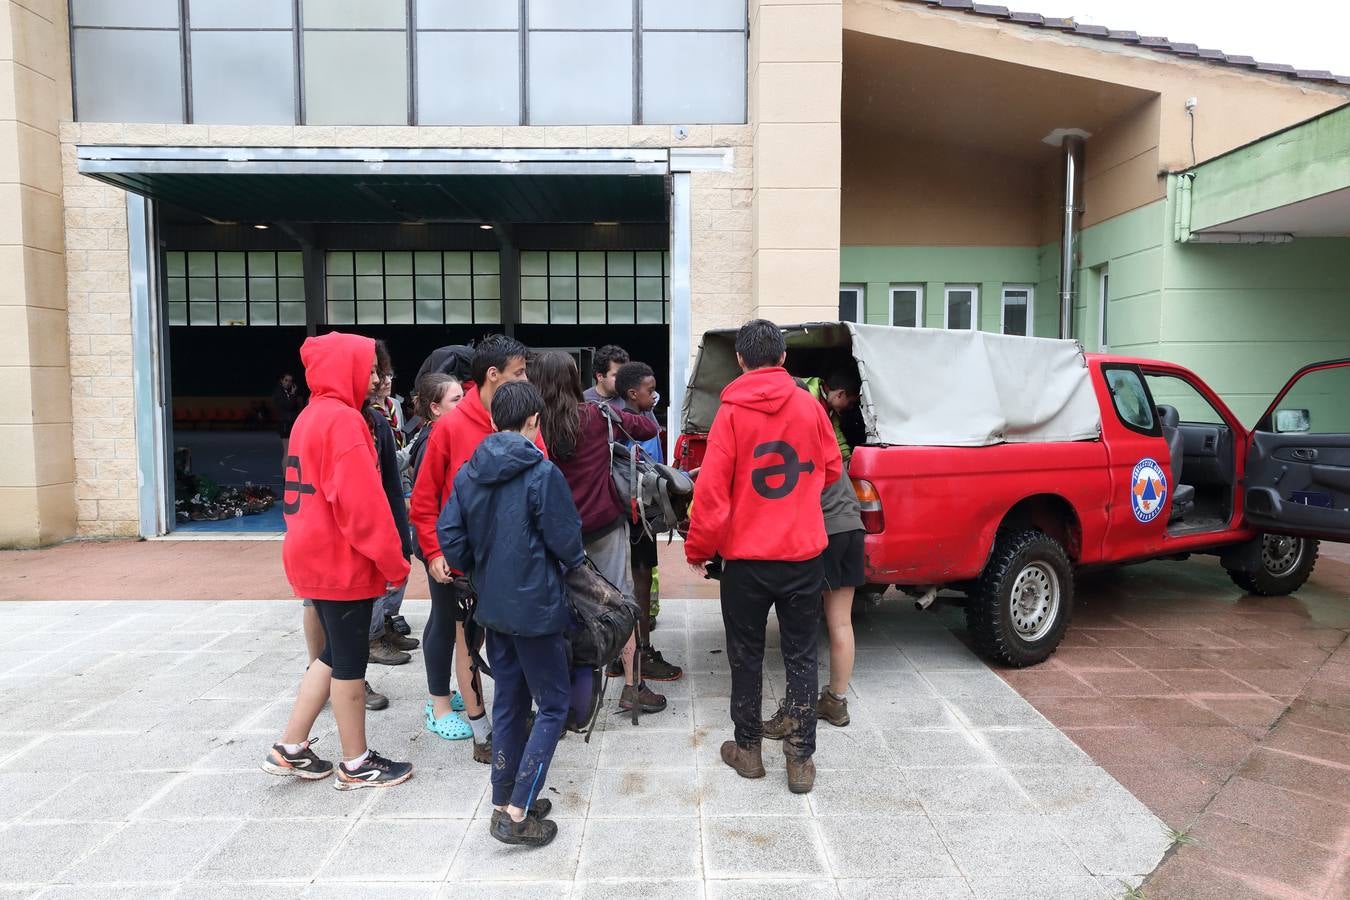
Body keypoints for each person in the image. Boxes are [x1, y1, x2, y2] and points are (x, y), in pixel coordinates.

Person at [684, 319, 842, 795]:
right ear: (784, 359)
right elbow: (832, 467)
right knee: (799, 656)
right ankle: (799, 761)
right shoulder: (809, 405)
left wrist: (698, 547)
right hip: (801, 553)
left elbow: (711, 492)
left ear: (740, 360)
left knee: (746, 657)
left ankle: (748, 750)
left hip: (747, 561)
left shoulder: (728, 413)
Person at [262, 332, 413, 790]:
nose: (373, 377)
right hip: (340, 560)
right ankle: (357, 763)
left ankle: (291, 747)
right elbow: (362, 505)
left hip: (310, 553)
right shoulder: (346, 422)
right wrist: (394, 561)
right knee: (349, 663)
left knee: (329, 655)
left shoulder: (312, 415)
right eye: (366, 368)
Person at [438, 380, 582, 847]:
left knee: (510, 702)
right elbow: (567, 543)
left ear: (493, 419)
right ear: (533, 422)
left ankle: (505, 799)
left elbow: (451, 538)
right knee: (554, 705)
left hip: (493, 606)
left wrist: (482, 569)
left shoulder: (468, 473)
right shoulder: (542, 474)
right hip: (537, 609)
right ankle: (519, 810)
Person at [409, 335, 539, 763]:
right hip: (461, 561)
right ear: (492, 375)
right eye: (519, 372)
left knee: (514, 638)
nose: (526, 379)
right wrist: (433, 553)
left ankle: (513, 713)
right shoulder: (448, 428)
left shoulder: (526, 423)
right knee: (466, 637)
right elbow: (425, 502)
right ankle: (482, 729)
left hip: (514, 562)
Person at [530, 351, 666, 715]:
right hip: (603, 525)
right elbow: (649, 428)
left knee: (559, 608)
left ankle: (561, 692)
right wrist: (644, 404)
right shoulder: (595, 415)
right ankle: (633, 687)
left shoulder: (532, 426)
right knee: (621, 600)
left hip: (555, 534)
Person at [764, 378, 865, 734]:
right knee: (840, 622)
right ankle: (835, 702)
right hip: (853, 528)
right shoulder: (821, 432)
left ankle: (797, 709)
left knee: (803, 627)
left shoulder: (789, 442)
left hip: (826, 535)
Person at [613, 361, 682, 682]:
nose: (654, 396)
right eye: (650, 390)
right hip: (634, 517)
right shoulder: (626, 425)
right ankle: (640, 651)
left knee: (632, 583)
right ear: (631, 393)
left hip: (637, 516)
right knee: (637, 584)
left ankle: (621, 652)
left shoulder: (640, 417)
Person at [802, 369, 861, 463]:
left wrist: (848, 460)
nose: (850, 408)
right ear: (840, 394)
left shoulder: (832, 411)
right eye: (850, 403)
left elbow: (836, 438)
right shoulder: (807, 397)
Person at [272, 373, 304, 468]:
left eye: (290, 381)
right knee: (287, 451)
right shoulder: (279, 392)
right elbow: (289, 406)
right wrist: (293, 394)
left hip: (289, 423)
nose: (288, 383)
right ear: (281, 381)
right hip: (285, 424)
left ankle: (289, 477)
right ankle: (286, 479)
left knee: (292, 451)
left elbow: (296, 407)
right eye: (286, 380)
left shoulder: (287, 393)